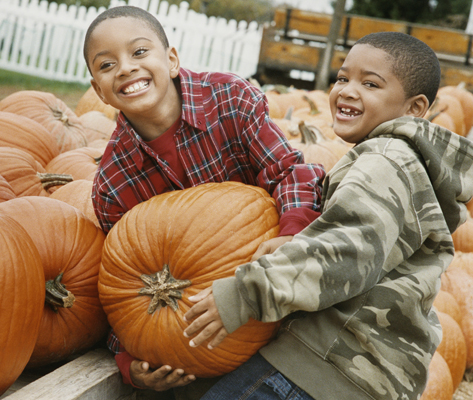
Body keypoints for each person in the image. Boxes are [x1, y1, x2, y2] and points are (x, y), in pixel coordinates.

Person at [183, 31, 473, 400]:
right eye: (342, 78)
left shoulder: (386, 159)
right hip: (361, 374)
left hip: (325, 365)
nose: (348, 90)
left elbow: (348, 249)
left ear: (414, 108)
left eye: (370, 83)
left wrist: (246, 292)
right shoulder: (404, 163)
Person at [82, 5, 326, 397]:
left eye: (139, 52)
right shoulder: (113, 184)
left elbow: (289, 172)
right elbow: (121, 286)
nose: (126, 68)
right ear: (97, 89)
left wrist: (292, 233)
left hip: (277, 283)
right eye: (107, 64)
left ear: (172, 60)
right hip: (207, 332)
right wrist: (128, 362)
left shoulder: (230, 99)